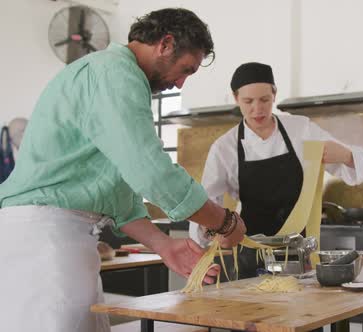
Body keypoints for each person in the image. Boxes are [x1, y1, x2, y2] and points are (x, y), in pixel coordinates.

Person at [0, 8, 246, 332]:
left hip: (58, 239)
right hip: (46, 242)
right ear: (165, 43)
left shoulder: (110, 75)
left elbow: (119, 193)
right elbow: (152, 172)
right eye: (186, 69)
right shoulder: (117, 73)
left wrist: (163, 244)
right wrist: (225, 222)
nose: (180, 83)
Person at [189, 62, 363, 279]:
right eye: (248, 101)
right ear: (236, 99)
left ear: (274, 94)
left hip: (299, 251)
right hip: (250, 253)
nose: (258, 109)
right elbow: (206, 202)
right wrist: (202, 250)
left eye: (265, 99)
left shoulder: (300, 129)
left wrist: (346, 155)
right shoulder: (224, 147)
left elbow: (355, 165)